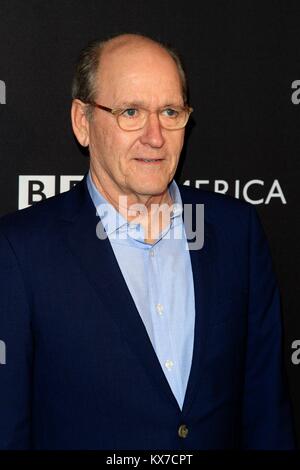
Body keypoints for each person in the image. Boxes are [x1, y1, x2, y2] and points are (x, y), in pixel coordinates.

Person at [0, 33, 295, 450]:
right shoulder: (19, 252)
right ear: (82, 122)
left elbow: (267, 412)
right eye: (131, 112)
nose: (155, 136)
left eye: (170, 111)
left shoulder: (236, 232)